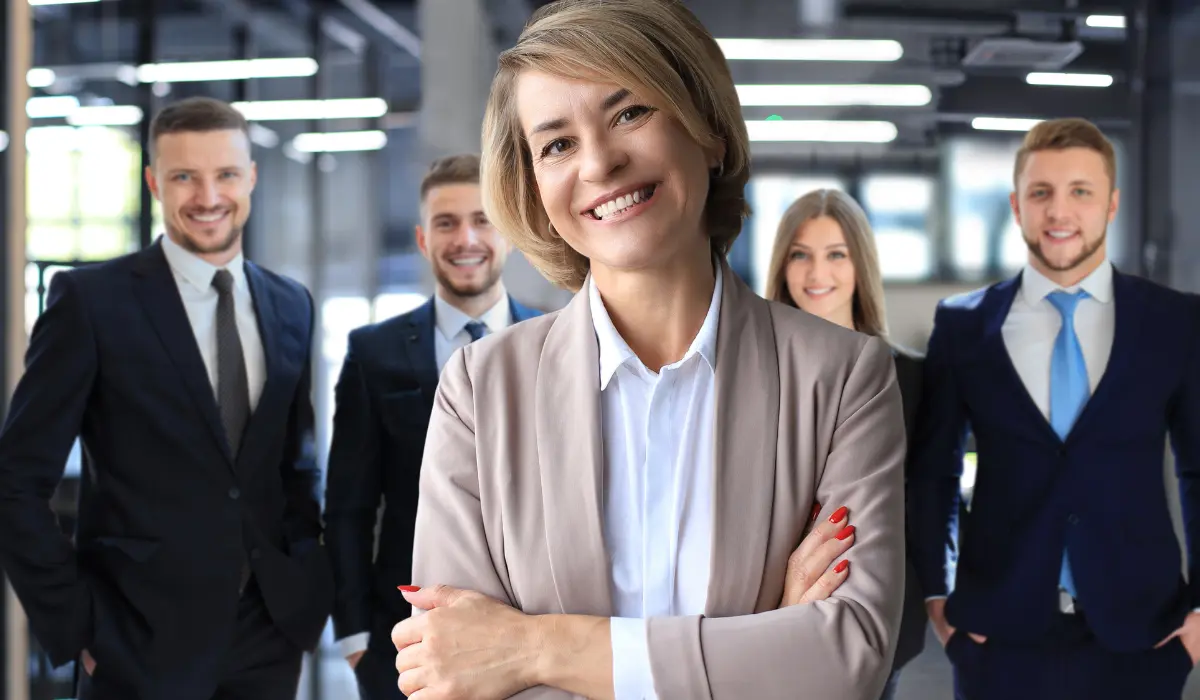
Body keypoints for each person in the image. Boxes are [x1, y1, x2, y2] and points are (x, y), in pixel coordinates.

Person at [389, 1, 908, 698]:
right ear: (536, 189)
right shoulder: (481, 389)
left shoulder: (843, 378)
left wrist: (537, 645)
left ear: (710, 131)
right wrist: (762, 648)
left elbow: (849, 659)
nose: (600, 162)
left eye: (630, 112)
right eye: (558, 144)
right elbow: (455, 668)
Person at [0, 96, 333, 700]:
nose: (208, 197)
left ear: (251, 177)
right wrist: (76, 627)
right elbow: (15, 481)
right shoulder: (91, 302)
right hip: (135, 643)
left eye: (226, 175)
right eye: (185, 177)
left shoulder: (292, 303)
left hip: (268, 640)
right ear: (155, 182)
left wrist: (305, 588)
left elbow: (295, 465)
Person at [910, 117, 1200, 699]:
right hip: (999, 641)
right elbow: (933, 474)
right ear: (1017, 206)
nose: (1059, 212)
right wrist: (939, 604)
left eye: (1081, 192)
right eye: (1041, 193)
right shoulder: (964, 326)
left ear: (1111, 204)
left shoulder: (1176, 322)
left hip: (1143, 638)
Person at [324, 153, 542, 699]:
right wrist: (354, 634)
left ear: (510, 234)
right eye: (446, 223)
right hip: (403, 633)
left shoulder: (553, 340)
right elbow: (348, 506)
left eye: (482, 220)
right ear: (424, 240)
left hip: (532, 621)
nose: (465, 238)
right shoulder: (373, 353)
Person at [763, 188, 927, 700]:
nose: (818, 274)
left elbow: (921, 507)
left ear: (860, 265)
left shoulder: (914, 377)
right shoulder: (752, 372)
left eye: (836, 254)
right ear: (782, 265)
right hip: (772, 613)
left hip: (878, 611)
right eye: (801, 254)